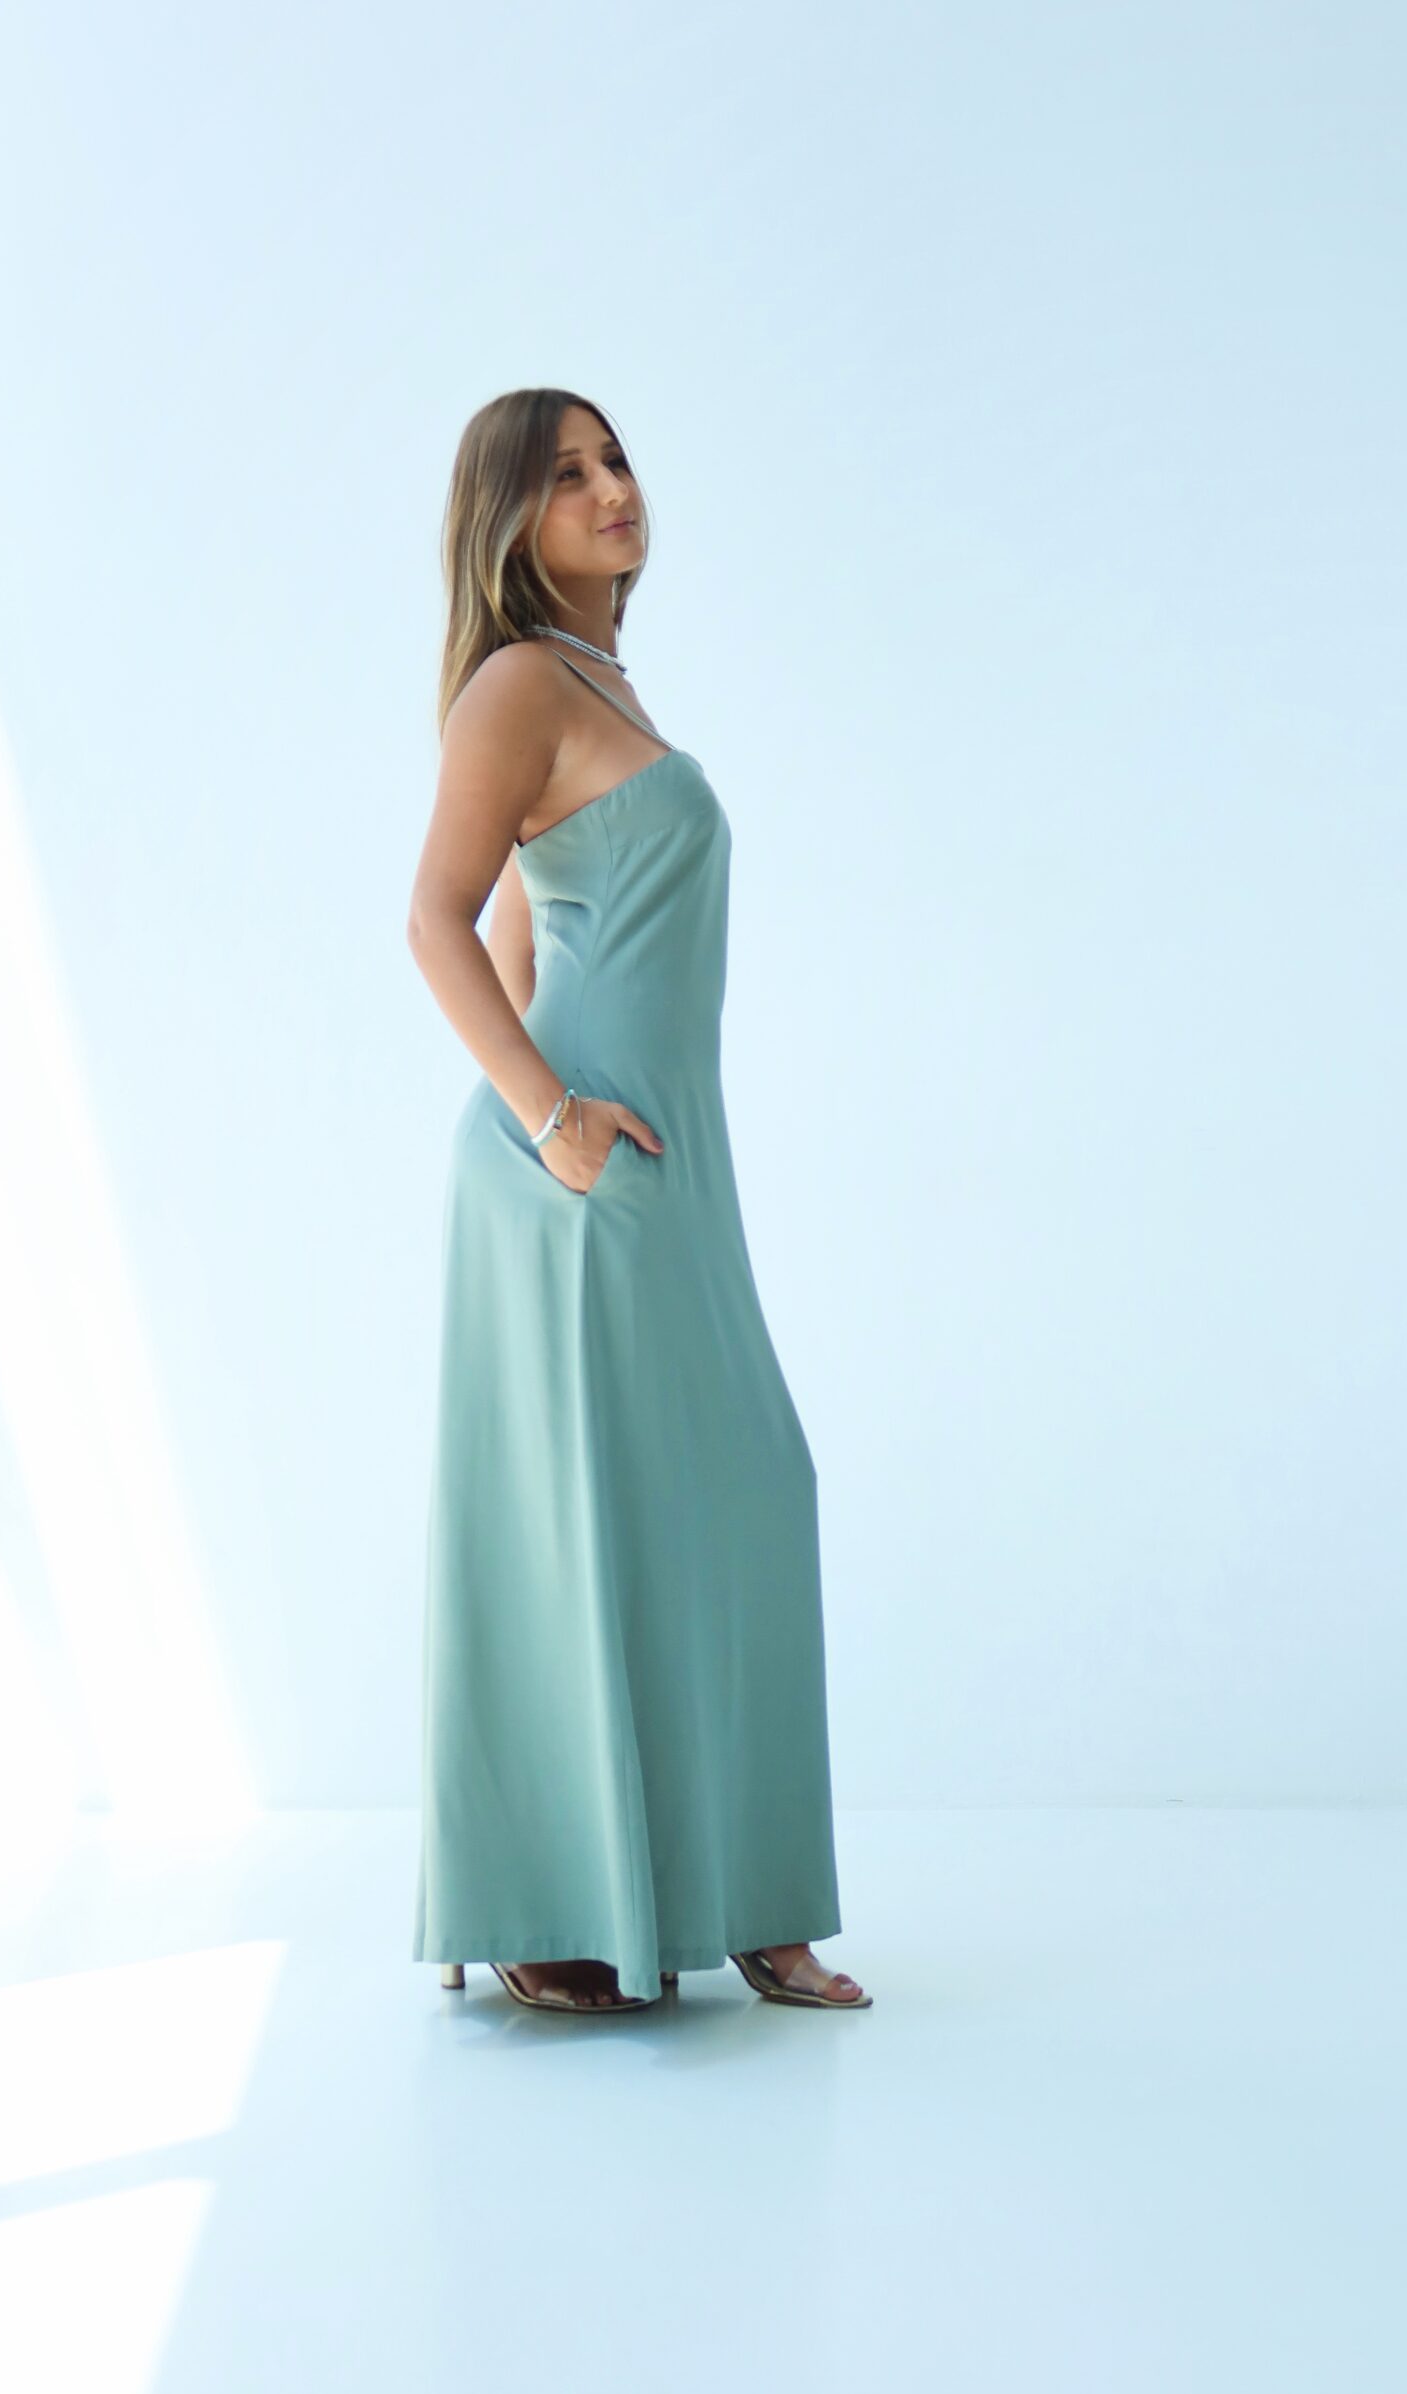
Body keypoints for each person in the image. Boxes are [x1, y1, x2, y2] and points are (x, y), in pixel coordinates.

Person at [405, 387, 870, 2015]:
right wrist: (551, 1128)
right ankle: (550, 1906)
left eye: (615, 459)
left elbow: (529, 931)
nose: (612, 487)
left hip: (661, 1157)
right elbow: (434, 918)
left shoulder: (601, 682)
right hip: (577, 1167)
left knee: (742, 1485)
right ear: (508, 519)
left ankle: (743, 1897)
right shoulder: (519, 683)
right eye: (567, 474)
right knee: (591, 1521)